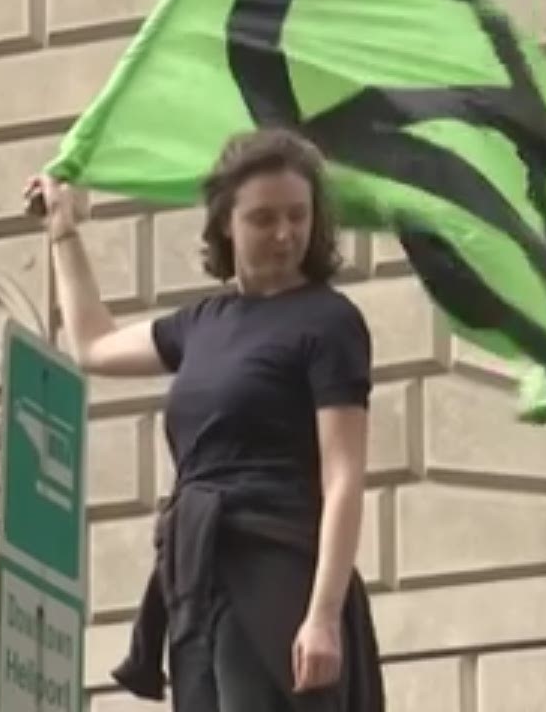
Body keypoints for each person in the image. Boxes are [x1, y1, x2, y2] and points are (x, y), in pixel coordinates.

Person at [23, 127, 385, 712]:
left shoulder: (329, 322)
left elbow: (342, 477)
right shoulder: (202, 324)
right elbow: (92, 345)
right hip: (198, 578)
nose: (286, 233)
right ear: (225, 223)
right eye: (264, 219)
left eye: (298, 215)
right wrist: (64, 231)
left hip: (278, 575)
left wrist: (322, 616)